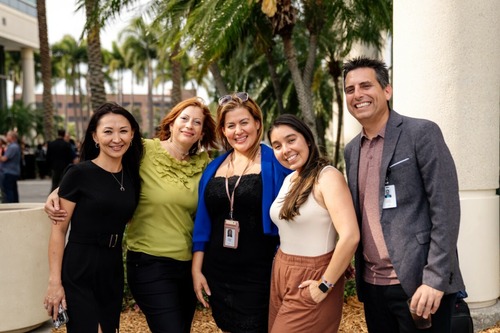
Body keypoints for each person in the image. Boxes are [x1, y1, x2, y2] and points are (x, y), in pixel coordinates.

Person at [45, 97, 218, 333]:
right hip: (118, 264)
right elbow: (90, 177)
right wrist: (57, 192)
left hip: (124, 266)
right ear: (171, 123)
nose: (117, 138)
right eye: (184, 118)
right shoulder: (145, 151)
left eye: (197, 122)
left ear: (202, 132)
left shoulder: (203, 167)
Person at [342, 57, 465, 333]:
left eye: (365, 85)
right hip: (373, 287)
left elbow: (445, 210)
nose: (357, 95)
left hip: (419, 285)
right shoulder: (352, 151)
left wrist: (435, 278)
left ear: (387, 90)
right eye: (350, 89)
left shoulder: (421, 133)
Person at [192, 92, 291, 333]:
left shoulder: (277, 163)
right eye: (231, 125)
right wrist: (196, 270)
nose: (238, 131)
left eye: (244, 122)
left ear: (257, 123)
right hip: (218, 273)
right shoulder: (214, 167)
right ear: (223, 131)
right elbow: (203, 223)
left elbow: (298, 214)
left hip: (260, 274)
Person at [43, 102, 143, 332]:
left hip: (113, 267)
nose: (116, 138)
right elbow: (59, 230)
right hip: (80, 266)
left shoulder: (132, 177)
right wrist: (54, 282)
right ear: (95, 137)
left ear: (132, 134)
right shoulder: (78, 173)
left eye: (123, 131)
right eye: (108, 131)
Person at [267, 114, 360, 333]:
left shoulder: (327, 177)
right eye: (277, 145)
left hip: (312, 276)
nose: (285, 150)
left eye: (291, 140)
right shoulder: (290, 179)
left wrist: (324, 285)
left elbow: (350, 235)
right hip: (281, 270)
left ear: (307, 139)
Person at [0, 130, 21, 203]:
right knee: (12, 190)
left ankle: (10, 204)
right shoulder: (14, 146)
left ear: (12, 137)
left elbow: (3, 159)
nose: (6, 137)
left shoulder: (13, 147)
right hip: (12, 172)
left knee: (8, 191)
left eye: (8, 135)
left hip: (8, 172)